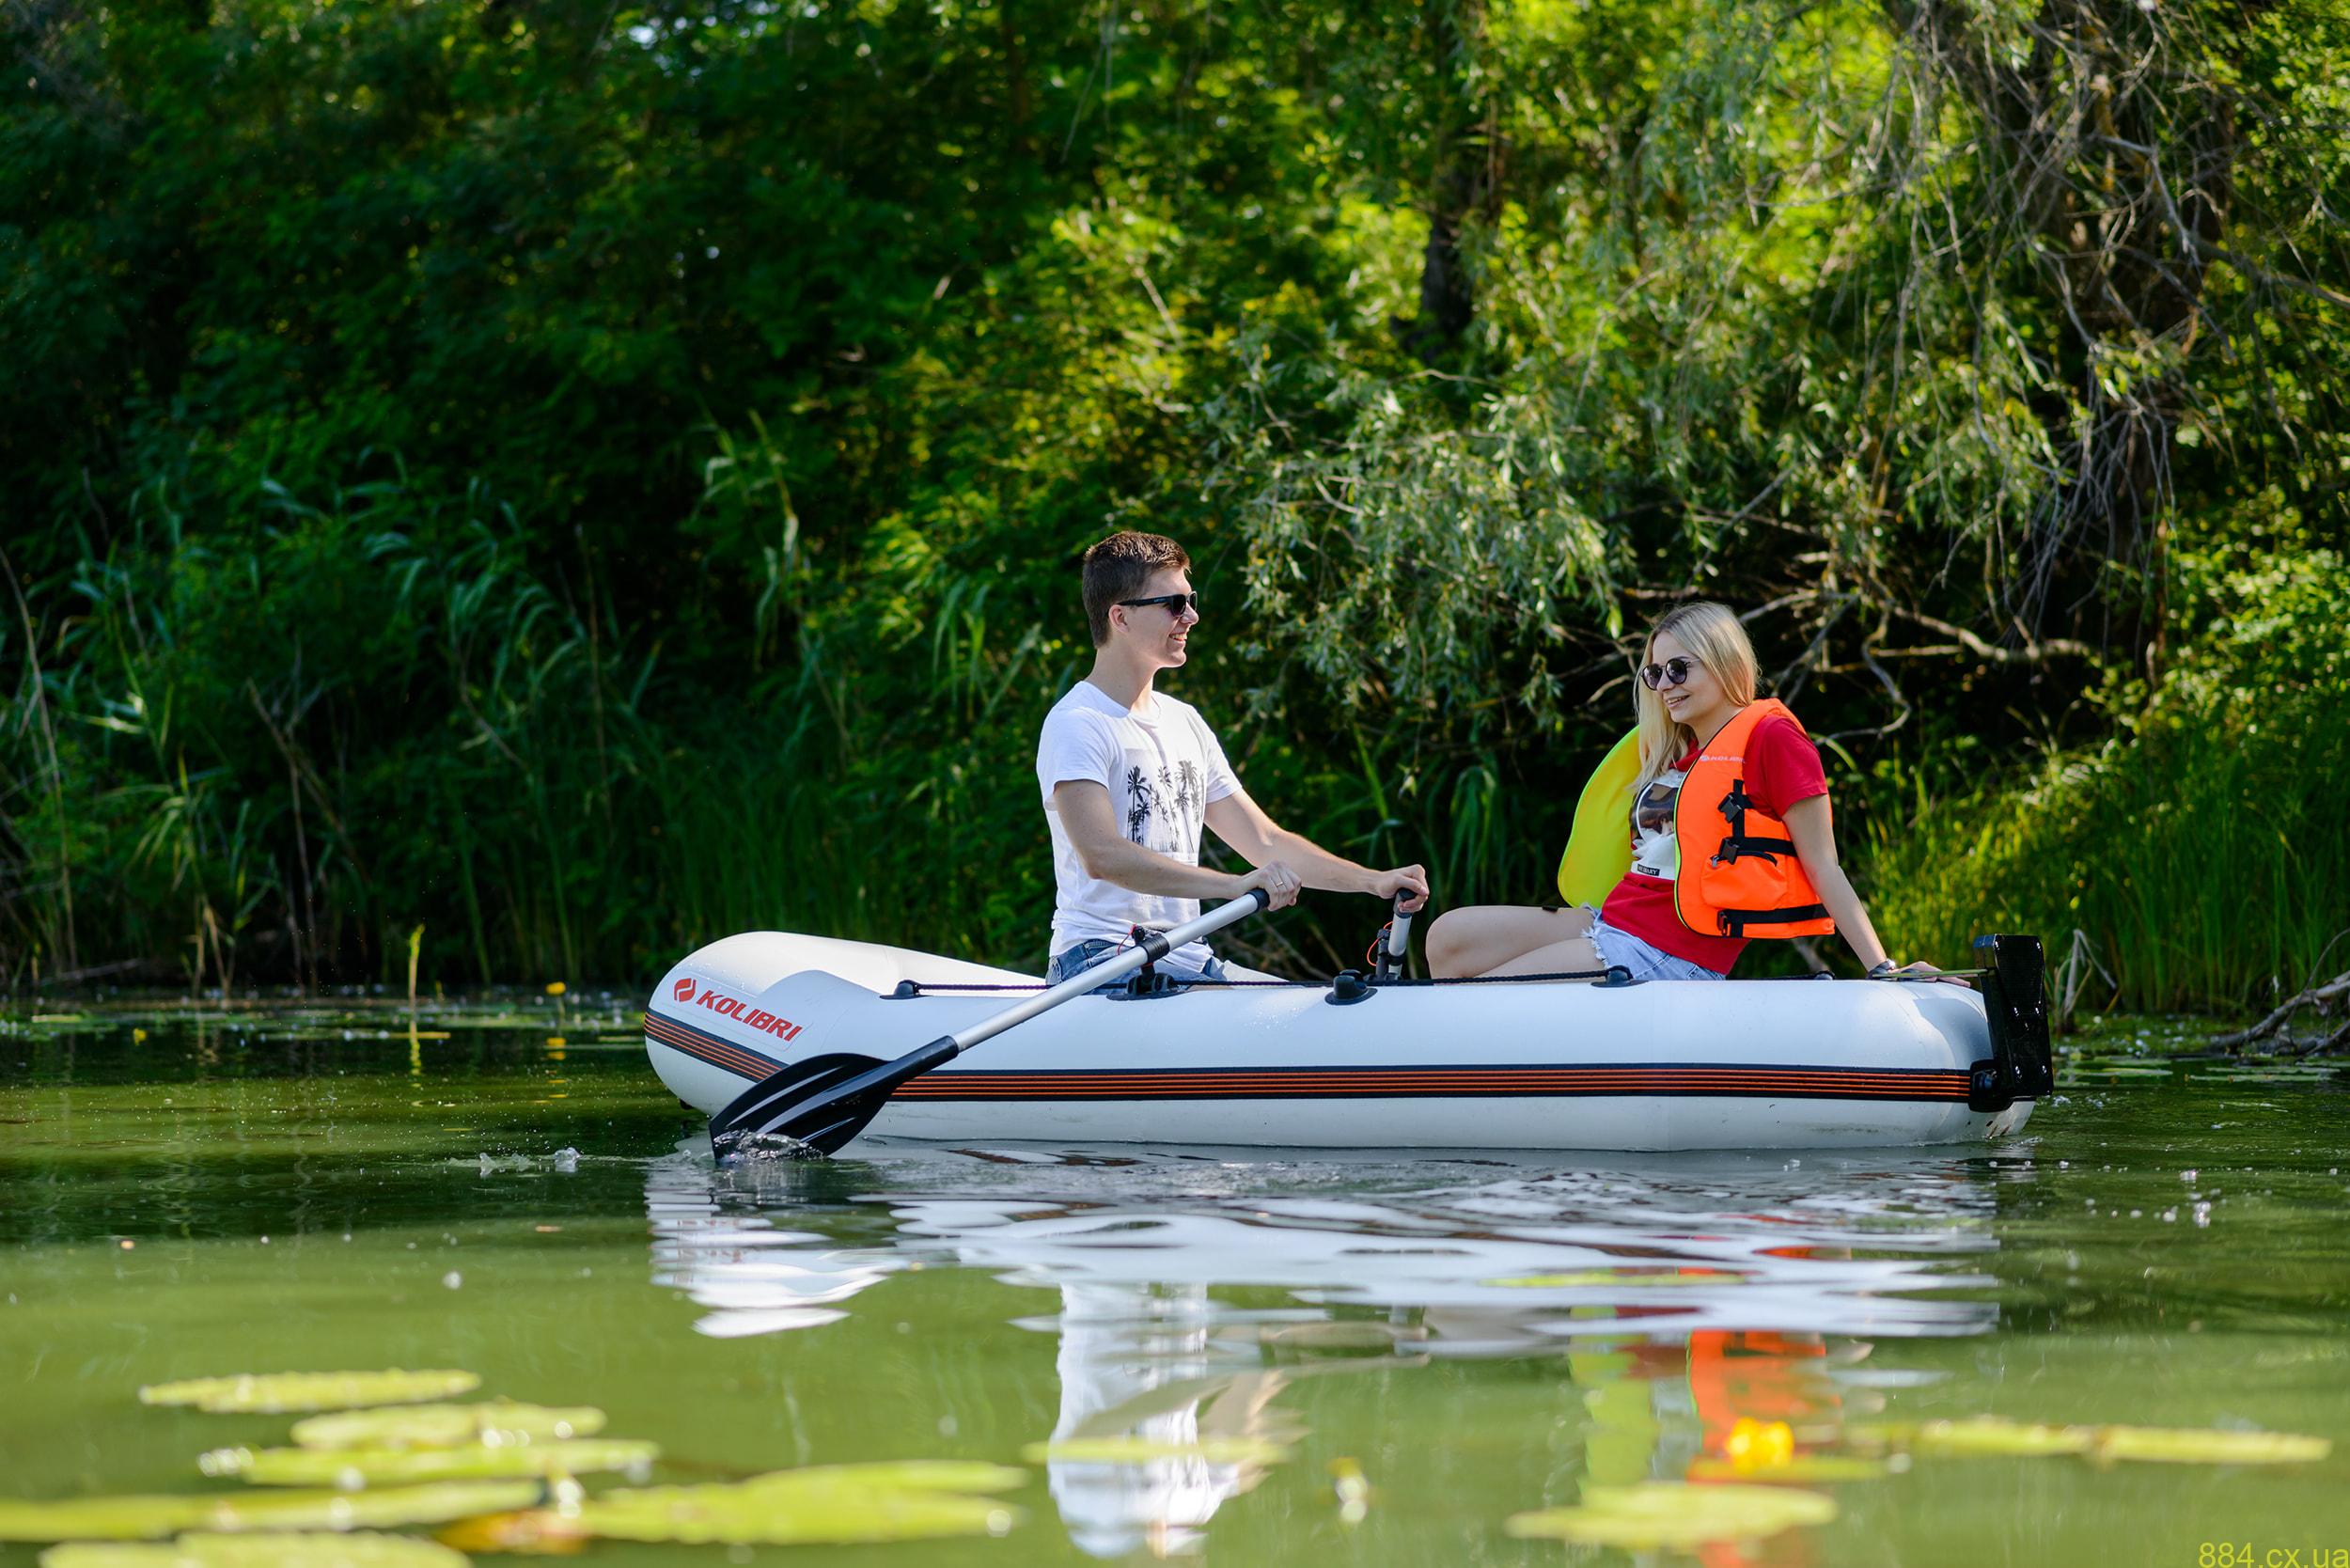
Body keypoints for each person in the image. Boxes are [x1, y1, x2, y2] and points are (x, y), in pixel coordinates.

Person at [1425, 600, 1945, 982]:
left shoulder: (1771, 738)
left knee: (1484, 997)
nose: (1665, 684)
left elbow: (1823, 864)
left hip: (1666, 954)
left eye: (1680, 668)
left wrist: (1882, 968)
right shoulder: (1675, 753)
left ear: (1724, 661)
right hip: (1613, 923)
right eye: (1655, 672)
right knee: (1448, 939)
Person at [1039, 530, 1428, 990]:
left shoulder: (1185, 722)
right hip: (1099, 959)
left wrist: (1372, 881)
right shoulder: (1078, 722)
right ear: (1120, 618)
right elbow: (1102, 856)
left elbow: (1264, 840)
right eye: (1173, 604)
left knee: (1301, 1016)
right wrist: (1233, 886)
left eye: (1190, 600)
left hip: (1188, 959)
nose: (1192, 616)